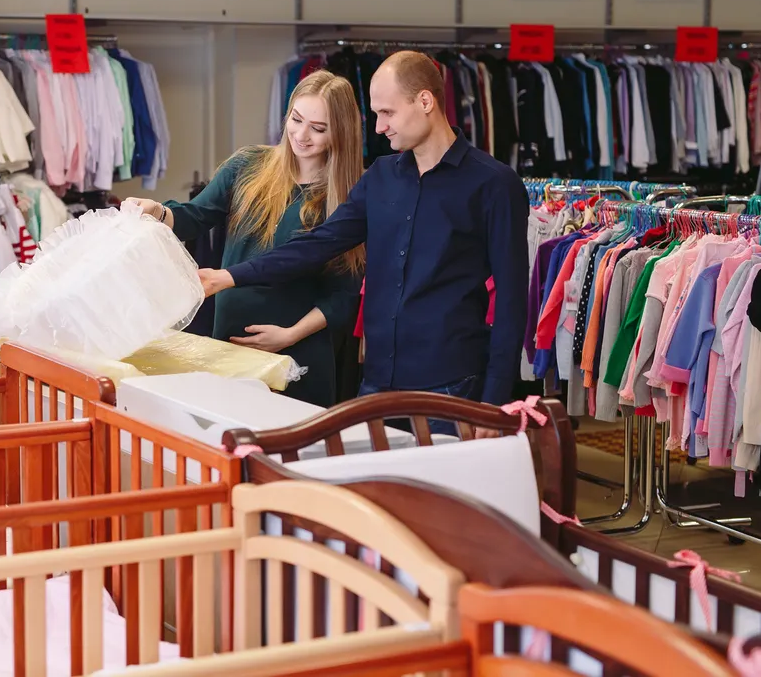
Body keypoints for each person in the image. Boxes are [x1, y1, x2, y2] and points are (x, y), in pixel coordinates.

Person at [198, 50, 529, 419]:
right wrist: (228, 276)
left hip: (452, 387)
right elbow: (317, 245)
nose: (378, 127)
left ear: (425, 101)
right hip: (376, 385)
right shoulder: (380, 178)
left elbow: (513, 303)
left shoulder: (495, 184)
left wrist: (494, 403)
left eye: (387, 113)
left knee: (440, 480)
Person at [125, 69, 364, 405]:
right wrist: (158, 212)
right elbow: (196, 216)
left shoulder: (349, 197)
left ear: (341, 133)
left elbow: (344, 294)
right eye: (296, 120)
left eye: (319, 128)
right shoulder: (247, 165)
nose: (301, 135)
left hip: (299, 354)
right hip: (229, 343)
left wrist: (289, 336)